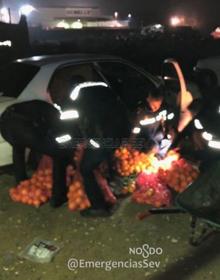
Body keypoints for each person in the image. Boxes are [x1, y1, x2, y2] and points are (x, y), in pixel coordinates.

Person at [0, 100, 78, 208]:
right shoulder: (55, 115)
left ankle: (21, 182)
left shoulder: (42, 107)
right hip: (22, 126)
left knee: (18, 148)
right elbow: (59, 135)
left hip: (5, 123)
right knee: (59, 154)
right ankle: (58, 197)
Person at [72, 84, 131, 217]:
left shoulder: (85, 100)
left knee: (85, 169)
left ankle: (98, 207)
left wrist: (89, 142)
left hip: (102, 140)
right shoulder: (109, 96)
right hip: (117, 139)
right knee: (106, 160)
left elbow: (89, 127)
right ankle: (115, 190)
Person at [130, 85, 177, 156]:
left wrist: (170, 129)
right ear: (148, 99)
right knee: (154, 147)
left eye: (158, 106)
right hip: (145, 137)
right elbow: (136, 129)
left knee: (168, 141)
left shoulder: (163, 110)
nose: (156, 108)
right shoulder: (142, 113)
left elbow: (169, 119)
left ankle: (160, 157)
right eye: (154, 106)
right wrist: (131, 141)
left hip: (156, 134)